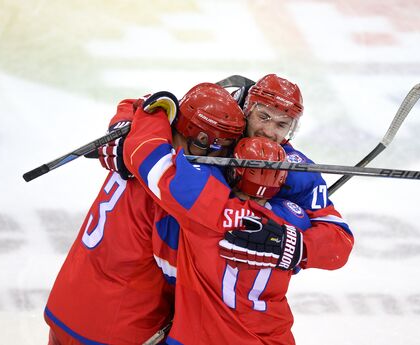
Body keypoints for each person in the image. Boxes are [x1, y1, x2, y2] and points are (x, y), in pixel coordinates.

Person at [44, 83, 248, 345]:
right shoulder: (172, 195)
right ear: (202, 141)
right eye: (221, 150)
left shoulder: (139, 146)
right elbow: (184, 277)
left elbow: (145, 105)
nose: (221, 162)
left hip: (66, 304)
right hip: (116, 330)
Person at [98, 74, 354, 271]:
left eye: (281, 125)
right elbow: (155, 105)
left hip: (214, 269)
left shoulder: (295, 168)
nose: (268, 131)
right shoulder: (223, 120)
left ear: (291, 129)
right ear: (247, 108)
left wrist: (296, 247)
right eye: (263, 117)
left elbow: (339, 239)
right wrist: (124, 129)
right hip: (153, 253)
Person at [122, 105, 312, 343]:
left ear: (232, 173)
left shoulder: (203, 207)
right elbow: (333, 244)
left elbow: (147, 156)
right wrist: (302, 248)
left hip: (196, 336)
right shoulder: (295, 223)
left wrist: (153, 109)